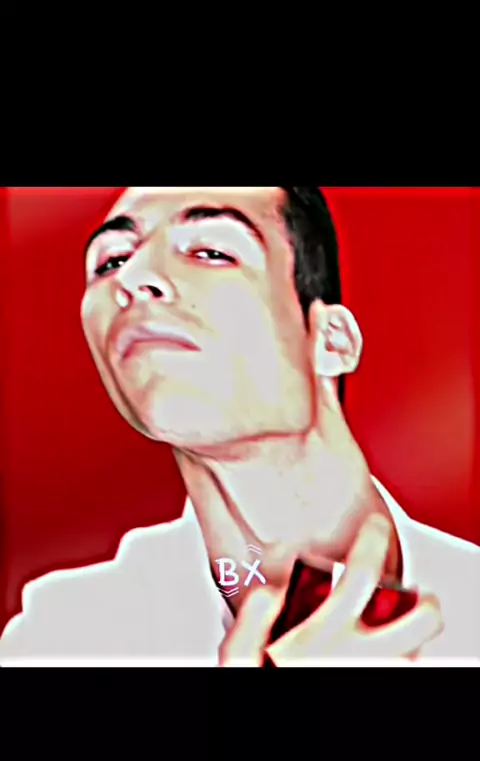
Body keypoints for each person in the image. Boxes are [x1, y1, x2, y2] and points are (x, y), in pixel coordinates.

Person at [1, 186, 478, 666]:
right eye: (111, 261)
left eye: (211, 252)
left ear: (331, 341)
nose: (133, 277)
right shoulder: (61, 638)